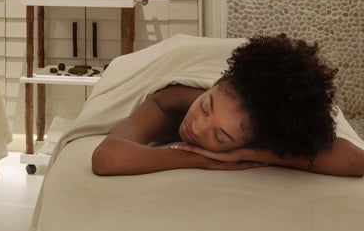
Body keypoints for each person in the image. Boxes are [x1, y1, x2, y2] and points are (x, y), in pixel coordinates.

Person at [91, 33, 364, 177]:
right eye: (206, 106)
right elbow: (106, 158)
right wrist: (201, 160)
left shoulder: (262, 130)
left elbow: (355, 160)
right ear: (218, 82)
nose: (196, 127)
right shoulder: (169, 103)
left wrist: (247, 154)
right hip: (181, 56)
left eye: (220, 136)